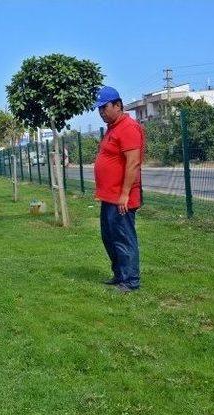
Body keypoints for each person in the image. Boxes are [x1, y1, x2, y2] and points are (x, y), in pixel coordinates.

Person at [93, 86, 145, 292]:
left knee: (123, 239)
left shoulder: (128, 127)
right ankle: (119, 275)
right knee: (109, 237)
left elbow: (133, 163)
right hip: (109, 196)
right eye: (99, 109)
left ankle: (131, 281)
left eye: (104, 108)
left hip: (121, 198)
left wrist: (124, 194)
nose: (101, 112)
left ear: (118, 105)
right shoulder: (113, 128)